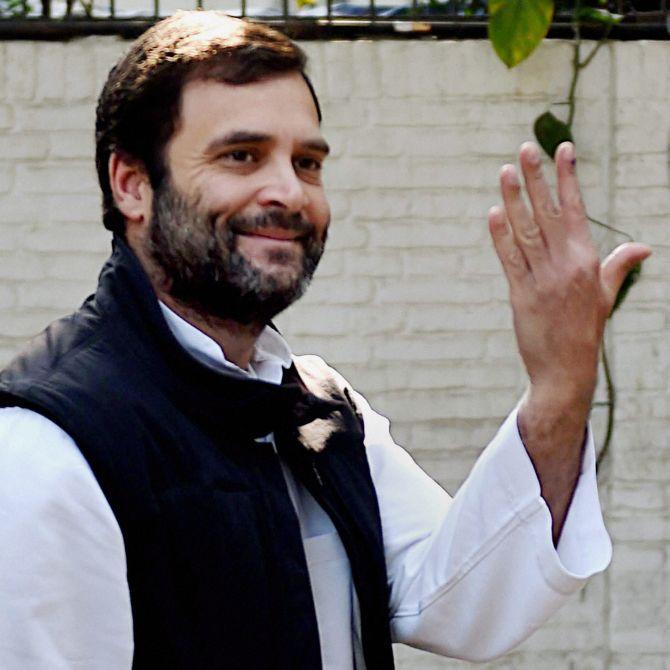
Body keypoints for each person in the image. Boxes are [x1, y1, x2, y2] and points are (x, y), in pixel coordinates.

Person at [0, 10, 651, 670]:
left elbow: (455, 599)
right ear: (133, 184)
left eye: (307, 162)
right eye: (242, 155)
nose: (288, 191)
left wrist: (562, 384)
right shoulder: (49, 450)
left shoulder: (317, 409)